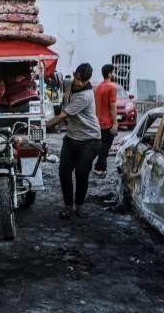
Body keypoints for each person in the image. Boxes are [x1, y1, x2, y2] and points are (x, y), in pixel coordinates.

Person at [46, 63, 101, 219]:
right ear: (75, 74)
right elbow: (54, 81)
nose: (78, 83)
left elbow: (62, 116)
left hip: (89, 140)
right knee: (63, 172)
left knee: (81, 174)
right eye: (77, 79)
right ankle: (68, 207)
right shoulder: (69, 83)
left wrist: (42, 126)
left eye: (82, 82)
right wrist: (46, 73)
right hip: (71, 138)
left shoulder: (86, 96)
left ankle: (80, 207)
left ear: (87, 81)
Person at [93, 64, 118, 177]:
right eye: (113, 72)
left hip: (98, 121)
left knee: (102, 145)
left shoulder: (98, 87)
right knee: (106, 147)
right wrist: (115, 123)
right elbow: (113, 106)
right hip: (107, 122)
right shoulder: (111, 87)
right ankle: (99, 167)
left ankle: (101, 167)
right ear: (109, 74)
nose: (114, 74)